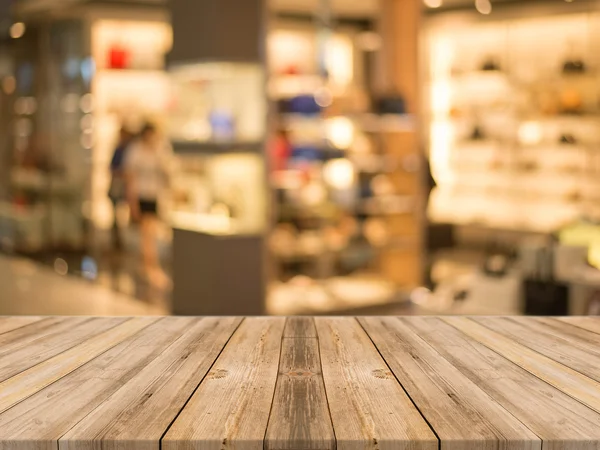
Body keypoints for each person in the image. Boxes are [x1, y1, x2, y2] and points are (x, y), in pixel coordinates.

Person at [124, 123, 173, 288]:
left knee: (149, 233)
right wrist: (132, 202)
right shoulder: (136, 151)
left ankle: (146, 266)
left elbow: (166, 172)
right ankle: (151, 266)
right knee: (147, 233)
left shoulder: (158, 151)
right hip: (141, 196)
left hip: (153, 196)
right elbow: (130, 177)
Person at [108, 126, 133, 250]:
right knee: (116, 213)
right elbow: (112, 167)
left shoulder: (130, 150)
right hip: (118, 185)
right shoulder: (119, 150)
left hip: (126, 186)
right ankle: (117, 237)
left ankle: (123, 237)